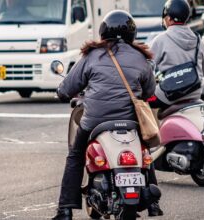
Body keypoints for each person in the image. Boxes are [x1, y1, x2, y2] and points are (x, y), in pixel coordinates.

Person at [52, 10, 159, 220]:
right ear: (132, 33)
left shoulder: (91, 56)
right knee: (144, 151)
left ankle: (65, 210)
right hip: (130, 122)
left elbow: (67, 88)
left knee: (75, 156)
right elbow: (149, 92)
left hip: (95, 121)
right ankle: (153, 204)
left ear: (103, 32)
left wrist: (61, 92)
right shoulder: (141, 58)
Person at [149, 0, 204, 110]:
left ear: (168, 18)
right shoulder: (198, 40)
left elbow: (146, 70)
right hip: (194, 93)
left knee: (143, 100)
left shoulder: (160, 40)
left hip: (169, 95)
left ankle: (156, 128)